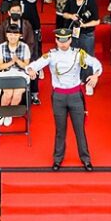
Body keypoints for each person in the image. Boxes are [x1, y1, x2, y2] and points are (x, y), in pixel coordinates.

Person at [27, 26, 103, 170]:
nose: (63, 44)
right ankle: (57, 159)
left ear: (70, 40)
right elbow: (34, 65)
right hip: (59, 96)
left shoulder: (78, 54)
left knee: (79, 129)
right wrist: (31, 70)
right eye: (60, 40)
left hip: (75, 95)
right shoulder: (51, 55)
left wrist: (95, 75)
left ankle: (86, 159)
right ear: (56, 40)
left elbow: (96, 63)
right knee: (60, 130)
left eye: (66, 40)